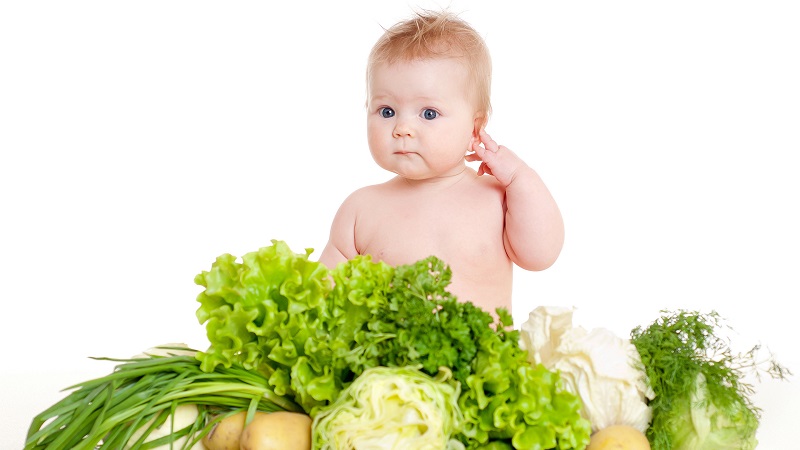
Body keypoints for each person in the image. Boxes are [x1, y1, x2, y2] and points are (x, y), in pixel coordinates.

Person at [318, 10, 564, 317]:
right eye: (386, 111)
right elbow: (323, 297)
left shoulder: (495, 197)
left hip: (486, 364)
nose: (402, 128)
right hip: (388, 365)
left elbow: (540, 255)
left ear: (474, 128)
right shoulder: (359, 209)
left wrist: (519, 179)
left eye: (428, 114)